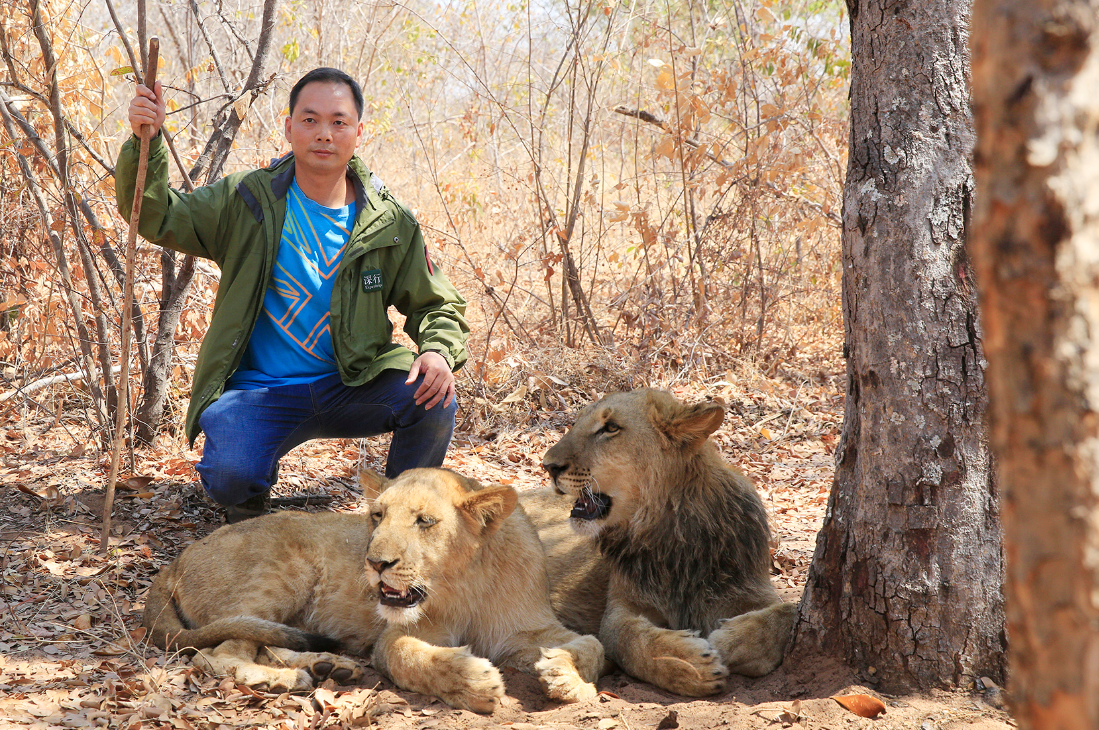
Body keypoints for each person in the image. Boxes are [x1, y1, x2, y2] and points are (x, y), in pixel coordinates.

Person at [116, 68, 469, 523]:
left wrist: (438, 350)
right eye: (310, 120)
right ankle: (250, 499)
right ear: (288, 127)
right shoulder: (247, 200)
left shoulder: (388, 221)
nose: (324, 133)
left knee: (433, 395)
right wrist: (146, 140)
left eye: (339, 122)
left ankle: (402, 517)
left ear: (359, 132)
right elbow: (158, 214)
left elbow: (437, 302)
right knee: (229, 475)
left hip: (353, 383)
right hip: (261, 391)